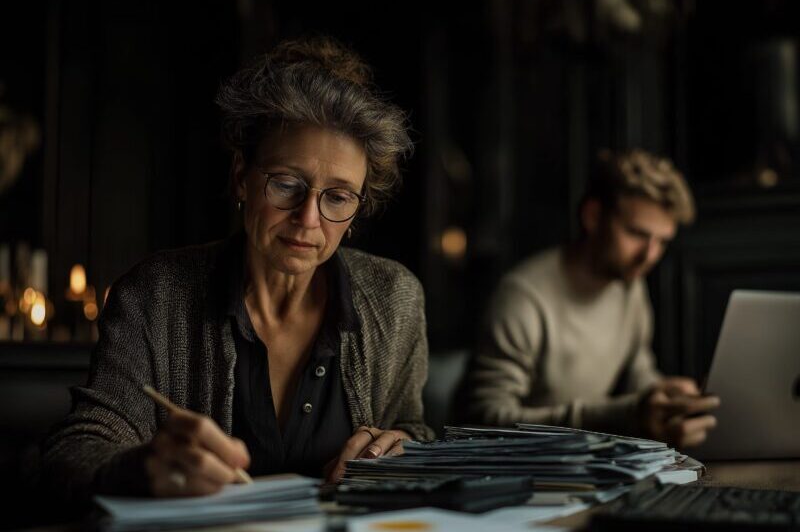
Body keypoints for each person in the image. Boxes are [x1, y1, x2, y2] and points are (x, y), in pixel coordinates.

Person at [41, 36, 433, 507]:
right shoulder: (155, 295)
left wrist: (403, 446)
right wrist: (139, 468)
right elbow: (74, 450)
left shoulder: (395, 298)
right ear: (241, 177)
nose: (308, 219)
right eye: (287, 184)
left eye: (338, 197)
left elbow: (411, 426)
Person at [456, 149, 719, 447]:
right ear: (593, 216)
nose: (650, 255)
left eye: (662, 242)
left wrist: (668, 398)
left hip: (586, 464)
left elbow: (638, 371)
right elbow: (483, 419)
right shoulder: (523, 297)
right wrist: (628, 415)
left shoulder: (629, 286)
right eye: (637, 234)